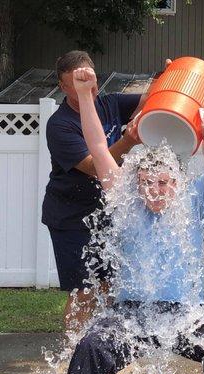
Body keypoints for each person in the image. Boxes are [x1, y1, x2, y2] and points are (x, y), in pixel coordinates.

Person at [63, 66, 204, 374]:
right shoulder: (125, 202)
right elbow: (99, 147)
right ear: (136, 182)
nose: (153, 191)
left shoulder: (194, 201)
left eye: (162, 183)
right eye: (145, 183)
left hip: (186, 314)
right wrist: (85, 95)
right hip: (130, 315)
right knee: (90, 346)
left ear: (176, 182)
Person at [42, 50, 144, 332]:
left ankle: (98, 347)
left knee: (110, 287)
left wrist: (168, 77)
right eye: (76, 82)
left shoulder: (109, 103)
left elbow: (152, 99)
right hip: (70, 217)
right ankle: (74, 351)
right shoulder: (60, 124)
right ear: (62, 86)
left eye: (91, 79)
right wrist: (128, 141)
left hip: (103, 213)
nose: (88, 88)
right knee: (84, 292)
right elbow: (97, 167)